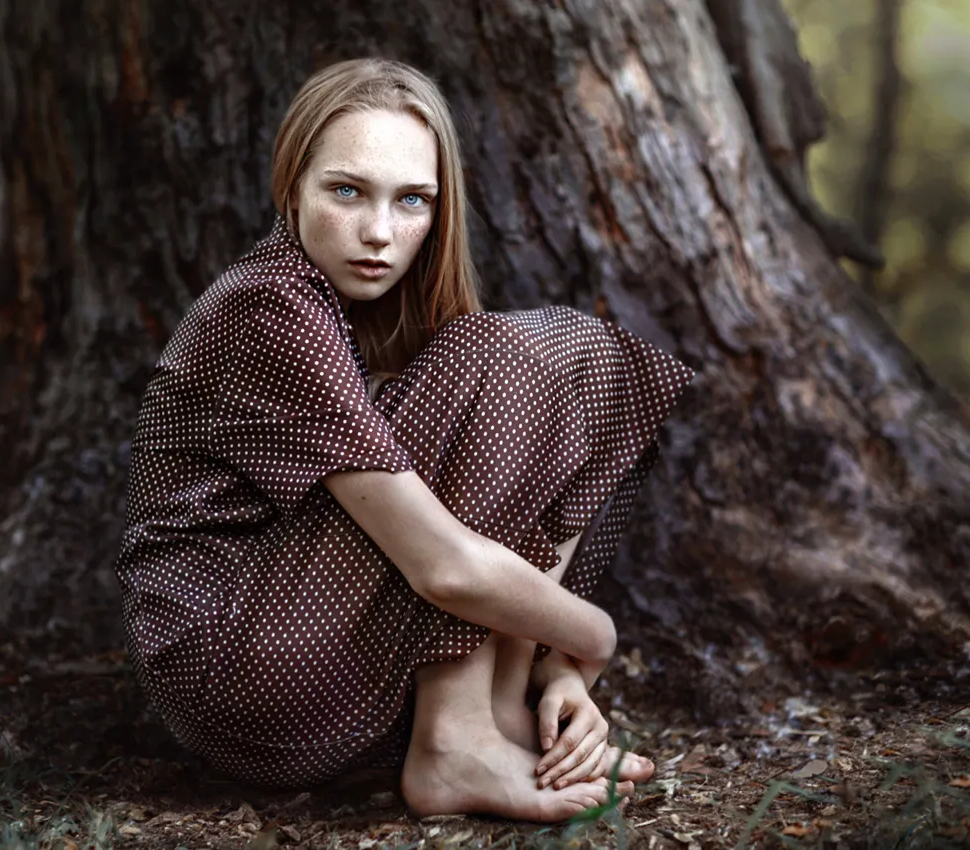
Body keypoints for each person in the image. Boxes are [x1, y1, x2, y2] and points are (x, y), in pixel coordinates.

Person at [115, 57, 697, 822]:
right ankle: (454, 739)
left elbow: (499, 503)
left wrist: (554, 671)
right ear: (291, 184)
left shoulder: (360, 311)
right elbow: (444, 568)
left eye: (413, 201)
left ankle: (501, 713)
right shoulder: (266, 308)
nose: (381, 233)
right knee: (505, 353)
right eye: (347, 191)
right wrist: (592, 637)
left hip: (309, 661)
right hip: (232, 664)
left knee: (584, 366)